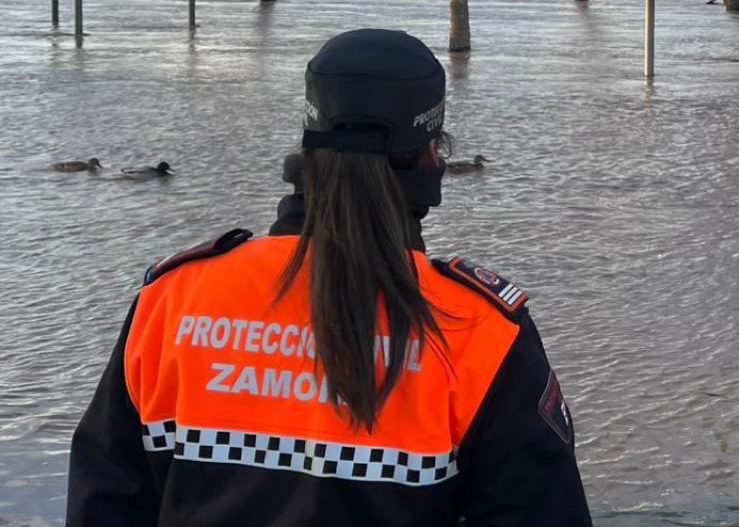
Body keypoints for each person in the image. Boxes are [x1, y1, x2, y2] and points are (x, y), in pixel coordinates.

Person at [68, 28, 594, 526]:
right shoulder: (478, 328)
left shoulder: (172, 300)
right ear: (431, 156)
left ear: (306, 149)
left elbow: (104, 505)